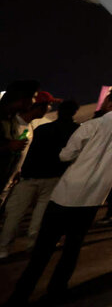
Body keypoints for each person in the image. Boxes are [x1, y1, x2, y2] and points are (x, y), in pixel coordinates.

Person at [9, 88, 112, 305]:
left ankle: (21, 293)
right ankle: (57, 290)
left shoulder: (92, 125)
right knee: (73, 247)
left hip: (68, 193)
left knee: (44, 249)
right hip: (94, 197)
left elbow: (66, 154)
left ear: (110, 102)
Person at [0, 99, 80, 259]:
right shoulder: (77, 131)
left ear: (58, 111)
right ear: (74, 113)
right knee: (40, 216)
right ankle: (33, 246)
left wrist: (22, 172)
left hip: (30, 177)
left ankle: (3, 248)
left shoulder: (43, 128)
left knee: (15, 215)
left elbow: (31, 154)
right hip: (54, 179)